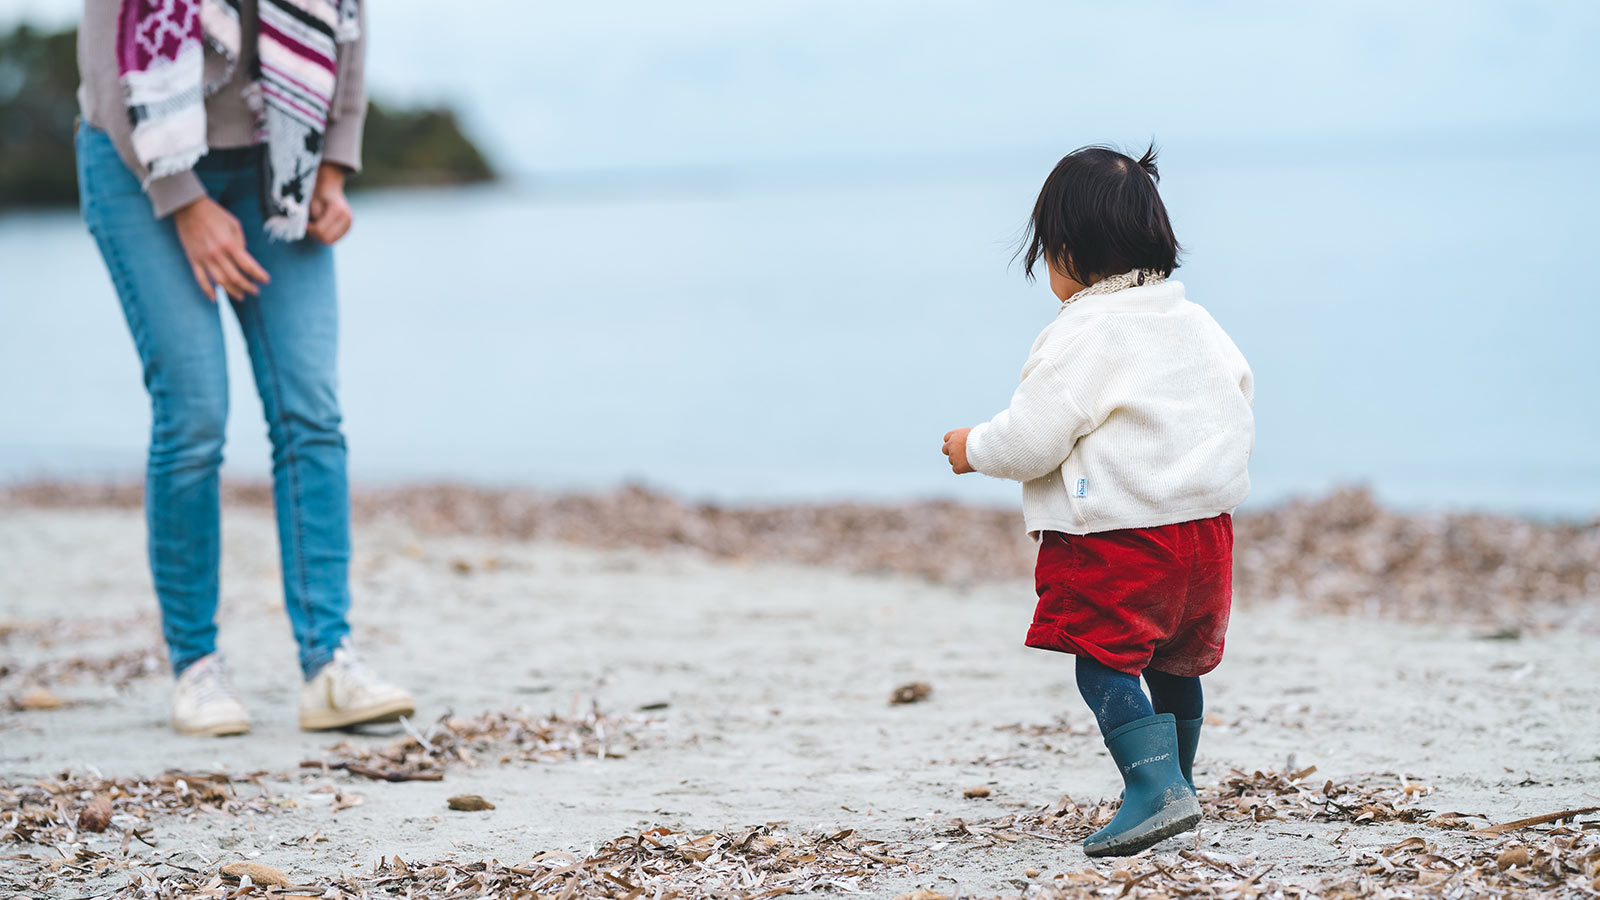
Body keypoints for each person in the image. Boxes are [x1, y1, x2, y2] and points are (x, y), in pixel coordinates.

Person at [74, 0, 414, 737]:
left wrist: (331, 165)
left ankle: (330, 663)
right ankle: (196, 668)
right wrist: (184, 202)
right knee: (194, 416)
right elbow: (105, 71)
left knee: (311, 414)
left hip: (278, 157)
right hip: (139, 168)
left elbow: (345, 23)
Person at [940, 144, 1254, 856]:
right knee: (1174, 662)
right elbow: (1237, 402)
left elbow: (1032, 438)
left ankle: (1154, 787)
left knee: (1102, 657)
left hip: (1117, 536)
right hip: (1206, 535)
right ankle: (1179, 780)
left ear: (1068, 252)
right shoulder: (1198, 324)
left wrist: (973, 448)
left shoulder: (1083, 333)